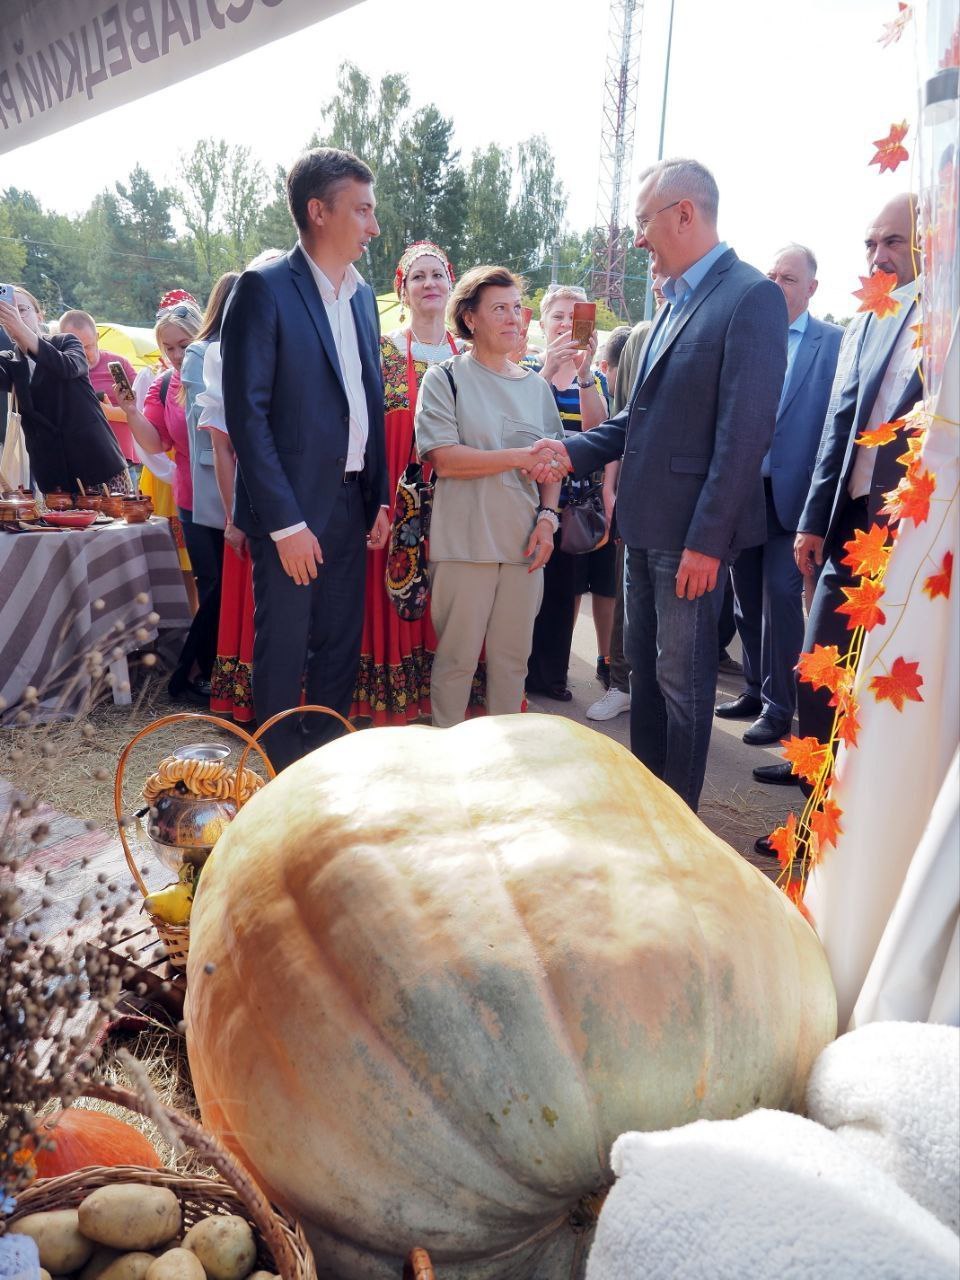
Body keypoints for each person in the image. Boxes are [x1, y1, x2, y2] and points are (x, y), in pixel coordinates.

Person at [531, 158, 788, 811]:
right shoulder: (674, 301)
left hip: (689, 539)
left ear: (684, 213)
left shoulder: (749, 296)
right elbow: (635, 420)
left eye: (645, 220)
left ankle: (680, 825)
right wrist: (567, 452)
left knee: (683, 685)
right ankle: (647, 811)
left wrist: (709, 542)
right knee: (647, 677)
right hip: (644, 527)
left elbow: (743, 435)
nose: (639, 237)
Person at [753, 193, 922, 830]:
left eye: (894, 243)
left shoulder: (948, 322)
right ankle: (815, 814)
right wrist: (811, 521)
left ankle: (862, 832)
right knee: (818, 671)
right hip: (846, 528)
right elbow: (836, 426)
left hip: (914, 536)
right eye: (871, 243)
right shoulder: (863, 322)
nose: (879, 256)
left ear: (929, 244)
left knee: (881, 690)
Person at [220, 147, 390, 770]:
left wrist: (376, 497)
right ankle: (274, 787)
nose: (374, 226)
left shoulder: (363, 297)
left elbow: (364, 400)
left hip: (351, 504)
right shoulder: (262, 291)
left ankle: (326, 781)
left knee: (339, 648)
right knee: (285, 651)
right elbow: (248, 417)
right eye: (363, 210)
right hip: (291, 510)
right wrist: (287, 524)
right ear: (319, 212)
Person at [415, 265, 564, 726]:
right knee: (456, 663)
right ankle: (446, 767)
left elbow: (553, 464)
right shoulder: (444, 378)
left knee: (512, 665)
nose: (512, 318)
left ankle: (503, 778)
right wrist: (519, 457)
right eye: (499, 308)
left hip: (523, 546)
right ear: (470, 318)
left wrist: (548, 518)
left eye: (517, 308)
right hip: (464, 545)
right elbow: (445, 459)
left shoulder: (537, 387)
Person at [718, 244, 843, 745]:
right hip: (745, 492)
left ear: (812, 288)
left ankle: (778, 705)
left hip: (795, 499)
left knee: (781, 596)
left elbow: (838, 424)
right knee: (745, 598)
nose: (776, 284)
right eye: (770, 274)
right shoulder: (747, 335)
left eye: (788, 277)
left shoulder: (831, 343)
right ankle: (753, 687)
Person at [352, 240, 464, 724]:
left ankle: (448, 702)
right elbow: (366, 431)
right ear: (402, 290)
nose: (429, 284)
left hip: (460, 497)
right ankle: (396, 702)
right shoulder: (381, 351)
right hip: (398, 500)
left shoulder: (471, 353)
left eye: (437, 274)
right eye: (418, 277)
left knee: (455, 593)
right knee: (394, 592)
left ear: (452, 284)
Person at [116, 298, 221, 703]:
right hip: (193, 499)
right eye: (170, 348)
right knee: (210, 585)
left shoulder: (219, 371)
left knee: (234, 587)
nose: (177, 355)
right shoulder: (163, 384)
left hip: (235, 497)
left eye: (183, 344)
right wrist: (129, 411)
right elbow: (156, 442)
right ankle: (204, 670)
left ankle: (212, 668)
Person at [195, 252, 285, 724]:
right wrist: (233, 518)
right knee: (257, 608)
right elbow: (225, 450)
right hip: (251, 506)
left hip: (296, 504)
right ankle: (251, 707)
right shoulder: (220, 355)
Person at [524, 284, 609, 702]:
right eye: (557, 316)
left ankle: (551, 674)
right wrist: (546, 369)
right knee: (521, 586)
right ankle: (514, 668)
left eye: (574, 317)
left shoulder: (591, 378)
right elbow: (519, 416)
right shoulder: (522, 368)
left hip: (572, 502)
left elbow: (598, 430)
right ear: (542, 323)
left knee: (562, 591)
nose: (565, 324)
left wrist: (583, 371)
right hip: (524, 495)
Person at [0, 286, 128, 494]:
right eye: (7, 310)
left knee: (116, 525)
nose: (15, 314)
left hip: (98, 468)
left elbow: (67, 367)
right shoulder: (10, 361)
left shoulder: (67, 342)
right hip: (54, 478)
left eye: (21, 309)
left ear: (39, 316)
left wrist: (19, 328)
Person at [57, 309, 139, 483]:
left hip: (121, 462)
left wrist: (108, 412)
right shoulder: (58, 371)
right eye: (75, 348)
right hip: (77, 465)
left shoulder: (119, 365)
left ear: (98, 337)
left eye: (88, 346)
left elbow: (144, 412)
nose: (83, 354)